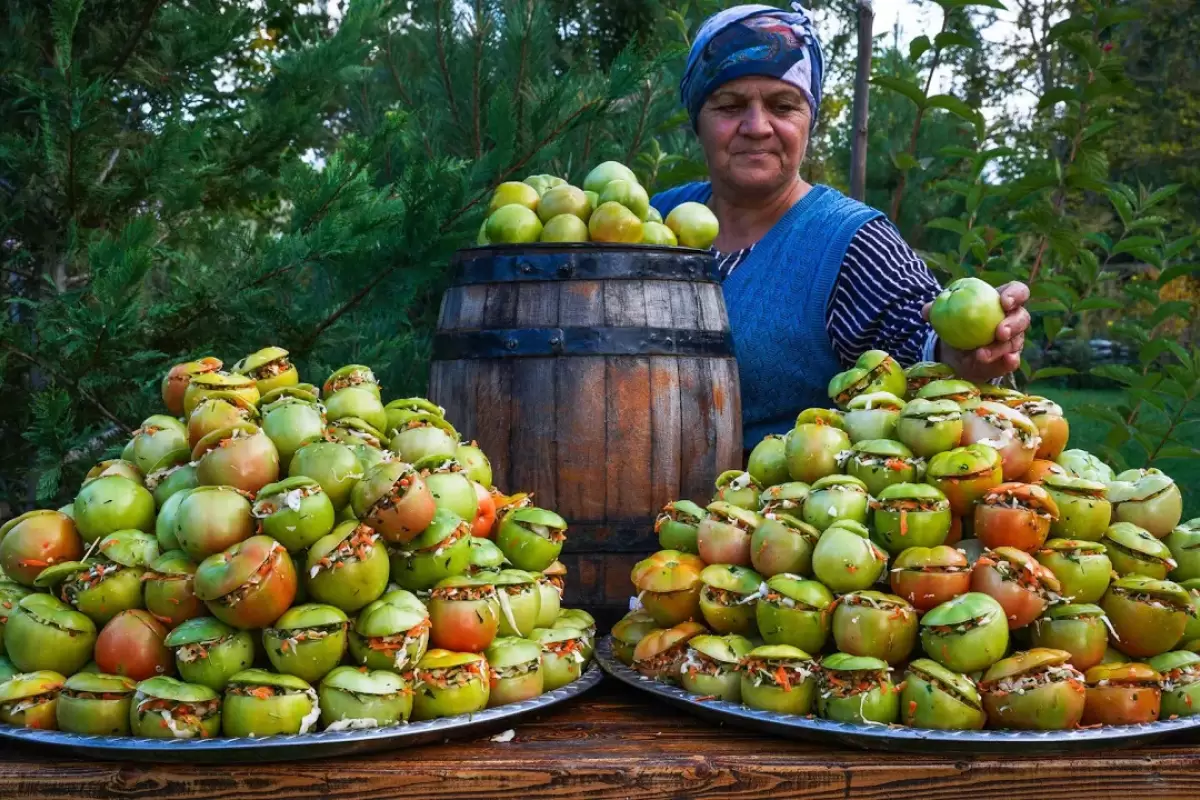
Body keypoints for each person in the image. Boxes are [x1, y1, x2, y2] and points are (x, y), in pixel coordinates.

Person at [651, 4, 1031, 445]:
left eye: (782, 105)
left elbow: (922, 345)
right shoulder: (657, 221)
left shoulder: (848, 241)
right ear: (698, 118)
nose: (756, 127)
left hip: (778, 506)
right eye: (730, 105)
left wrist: (969, 348)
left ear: (808, 120)